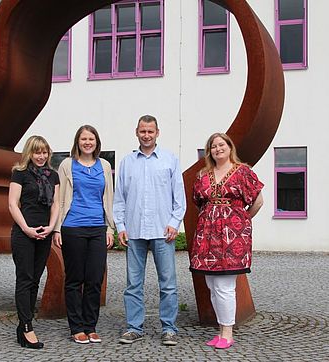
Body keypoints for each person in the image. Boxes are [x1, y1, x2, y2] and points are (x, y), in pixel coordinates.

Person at [113, 114, 186, 346]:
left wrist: (174, 223)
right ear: (137, 132)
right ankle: (134, 327)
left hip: (163, 232)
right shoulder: (127, 162)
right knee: (133, 284)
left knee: (168, 283)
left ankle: (169, 328)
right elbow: (119, 199)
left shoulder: (170, 160)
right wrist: (121, 226)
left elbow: (179, 198)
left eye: (150, 131)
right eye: (142, 131)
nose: (146, 135)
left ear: (157, 133)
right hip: (134, 232)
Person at [190, 132, 264, 349]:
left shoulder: (243, 172)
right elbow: (198, 203)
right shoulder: (203, 174)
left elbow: (258, 201)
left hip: (232, 238)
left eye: (221, 145)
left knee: (224, 285)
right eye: (213, 146)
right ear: (209, 151)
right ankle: (221, 330)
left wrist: (241, 220)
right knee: (212, 284)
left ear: (230, 147)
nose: (218, 149)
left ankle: (228, 333)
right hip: (208, 235)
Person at [53, 125, 114, 345]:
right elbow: (59, 199)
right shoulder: (67, 165)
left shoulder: (105, 166)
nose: (87, 142)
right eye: (83, 139)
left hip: (98, 228)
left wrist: (110, 228)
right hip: (73, 227)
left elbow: (109, 198)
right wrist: (57, 228)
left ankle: (91, 326)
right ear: (77, 142)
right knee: (74, 279)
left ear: (97, 142)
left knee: (94, 279)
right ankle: (76, 327)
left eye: (91, 139)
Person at [8, 135, 60, 349]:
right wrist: (26, 229)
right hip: (24, 233)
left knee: (35, 280)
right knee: (25, 278)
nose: (41, 156)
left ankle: (23, 326)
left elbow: (56, 204)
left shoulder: (53, 175)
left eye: (44, 152)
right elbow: (12, 204)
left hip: (44, 233)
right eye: (37, 152)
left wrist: (50, 227)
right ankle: (27, 326)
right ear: (29, 153)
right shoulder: (19, 173)